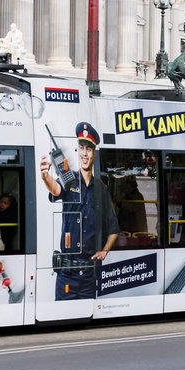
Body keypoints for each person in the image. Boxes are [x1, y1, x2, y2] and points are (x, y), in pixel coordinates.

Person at [39, 121, 118, 300]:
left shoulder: (101, 190)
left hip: (89, 276)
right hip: (67, 274)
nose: (84, 153)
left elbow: (113, 229)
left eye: (88, 149)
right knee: (63, 322)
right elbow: (56, 190)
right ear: (77, 150)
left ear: (93, 154)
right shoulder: (70, 181)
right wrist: (45, 176)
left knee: (86, 324)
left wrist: (104, 250)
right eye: (81, 147)